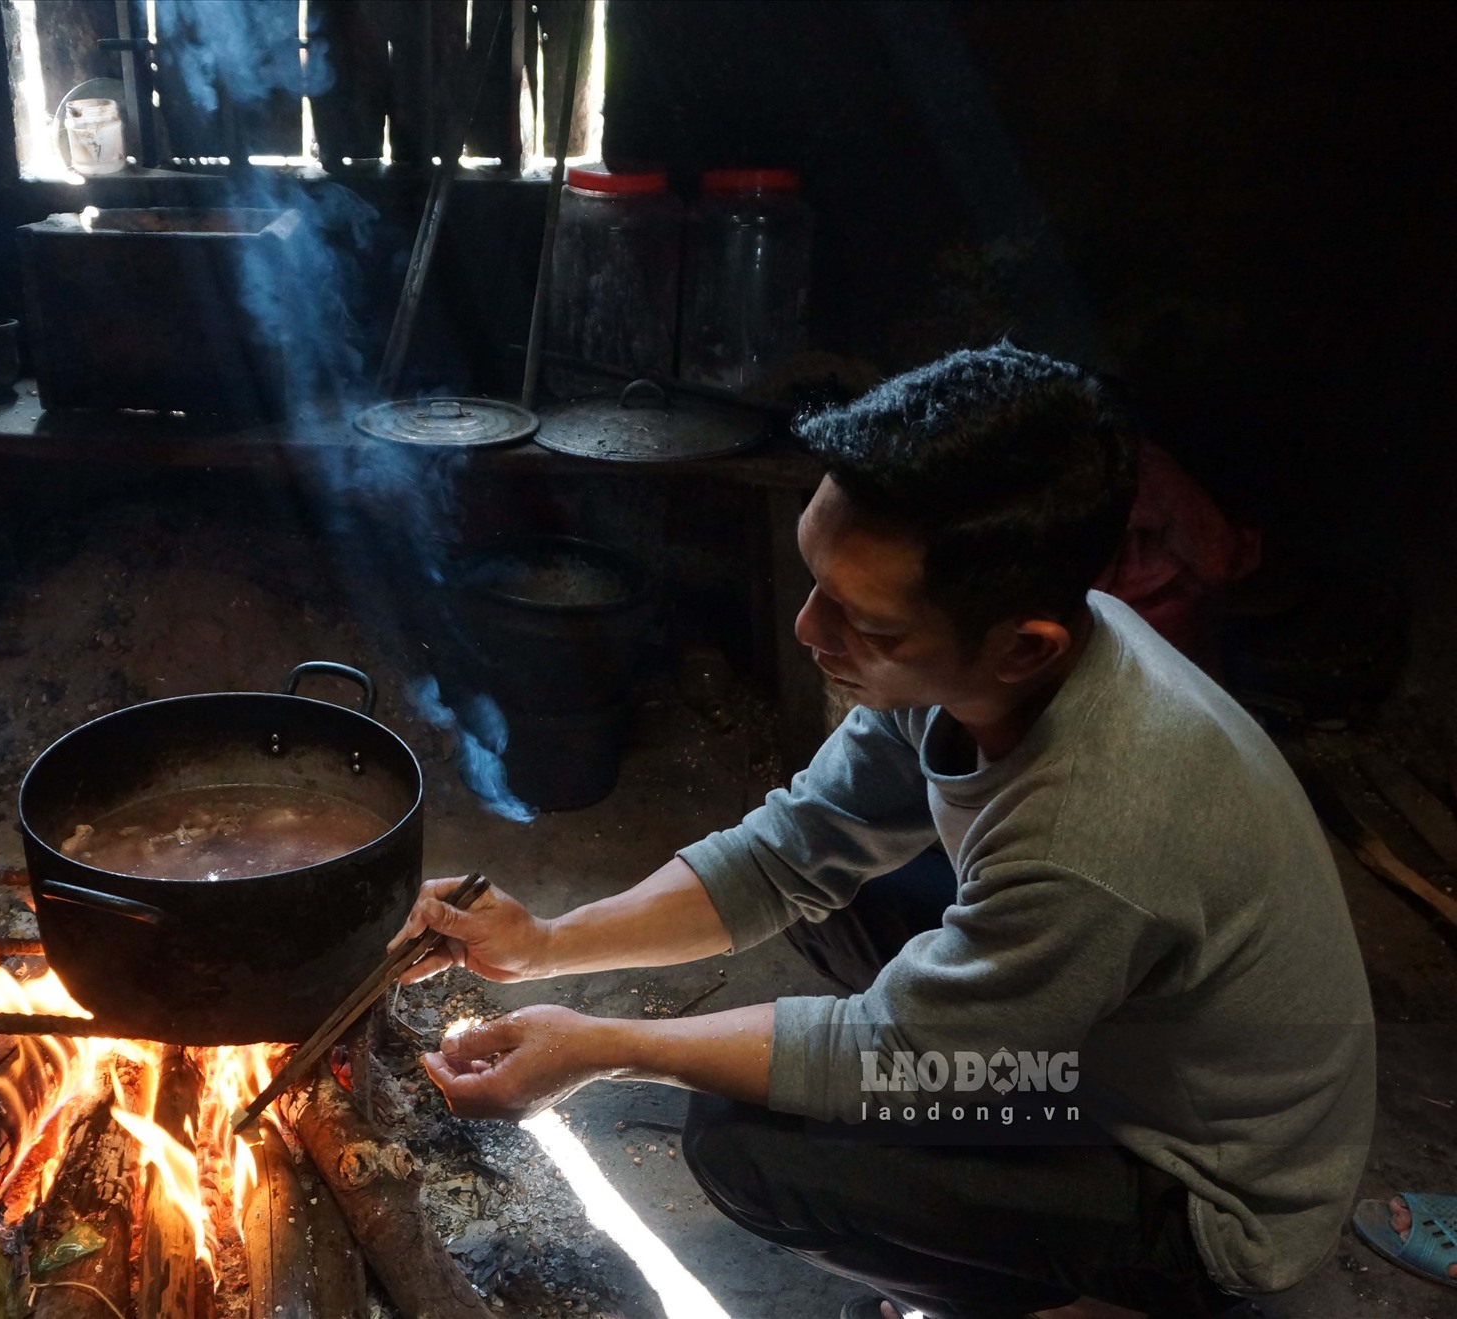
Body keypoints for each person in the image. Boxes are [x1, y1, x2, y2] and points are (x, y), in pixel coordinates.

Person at [389, 345, 1375, 1319]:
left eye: (868, 623)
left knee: (749, 1142)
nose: (809, 630)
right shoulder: (996, 651)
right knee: (842, 887)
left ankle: (1068, 1300)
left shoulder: (1098, 830)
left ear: (1022, 645)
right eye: (815, 579)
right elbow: (793, 848)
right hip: (1105, 1035)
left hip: (1199, 1187)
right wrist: (549, 945)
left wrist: (602, 1043)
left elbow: (890, 1052)